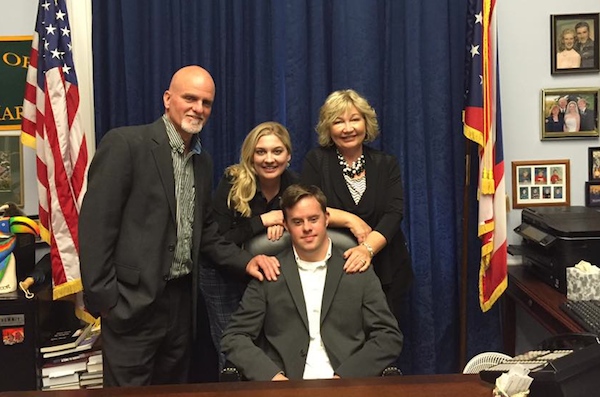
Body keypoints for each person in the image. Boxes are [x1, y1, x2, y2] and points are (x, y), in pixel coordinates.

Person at [79, 65, 280, 387]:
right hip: (131, 305)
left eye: (206, 102)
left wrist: (248, 260)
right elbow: (95, 228)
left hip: (182, 305)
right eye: (190, 98)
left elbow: (208, 232)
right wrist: (107, 302)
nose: (198, 108)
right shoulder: (126, 144)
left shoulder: (202, 160)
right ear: (167, 98)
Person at [221, 184, 403, 380]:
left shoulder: (358, 269)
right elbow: (234, 337)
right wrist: (273, 378)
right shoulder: (270, 271)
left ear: (326, 219)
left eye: (313, 219)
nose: (307, 228)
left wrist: (346, 378)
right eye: (297, 222)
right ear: (286, 225)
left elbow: (388, 337)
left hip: (347, 384)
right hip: (286, 386)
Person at [301, 89, 413, 326]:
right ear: (328, 128)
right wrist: (351, 220)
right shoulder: (317, 161)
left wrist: (367, 250)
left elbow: (394, 214)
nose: (348, 128)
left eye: (354, 119)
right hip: (332, 270)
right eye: (338, 121)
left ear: (366, 123)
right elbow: (308, 211)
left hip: (387, 270)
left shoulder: (386, 163)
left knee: (383, 344)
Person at [201, 121, 298, 366]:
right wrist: (263, 221)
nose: (269, 159)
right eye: (261, 151)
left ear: (288, 155)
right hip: (222, 274)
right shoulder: (233, 182)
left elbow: (308, 228)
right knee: (231, 347)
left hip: (267, 275)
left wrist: (284, 222)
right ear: (250, 155)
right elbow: (218, 239)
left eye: (277, 151)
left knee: (268, 347)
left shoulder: (294, 186)